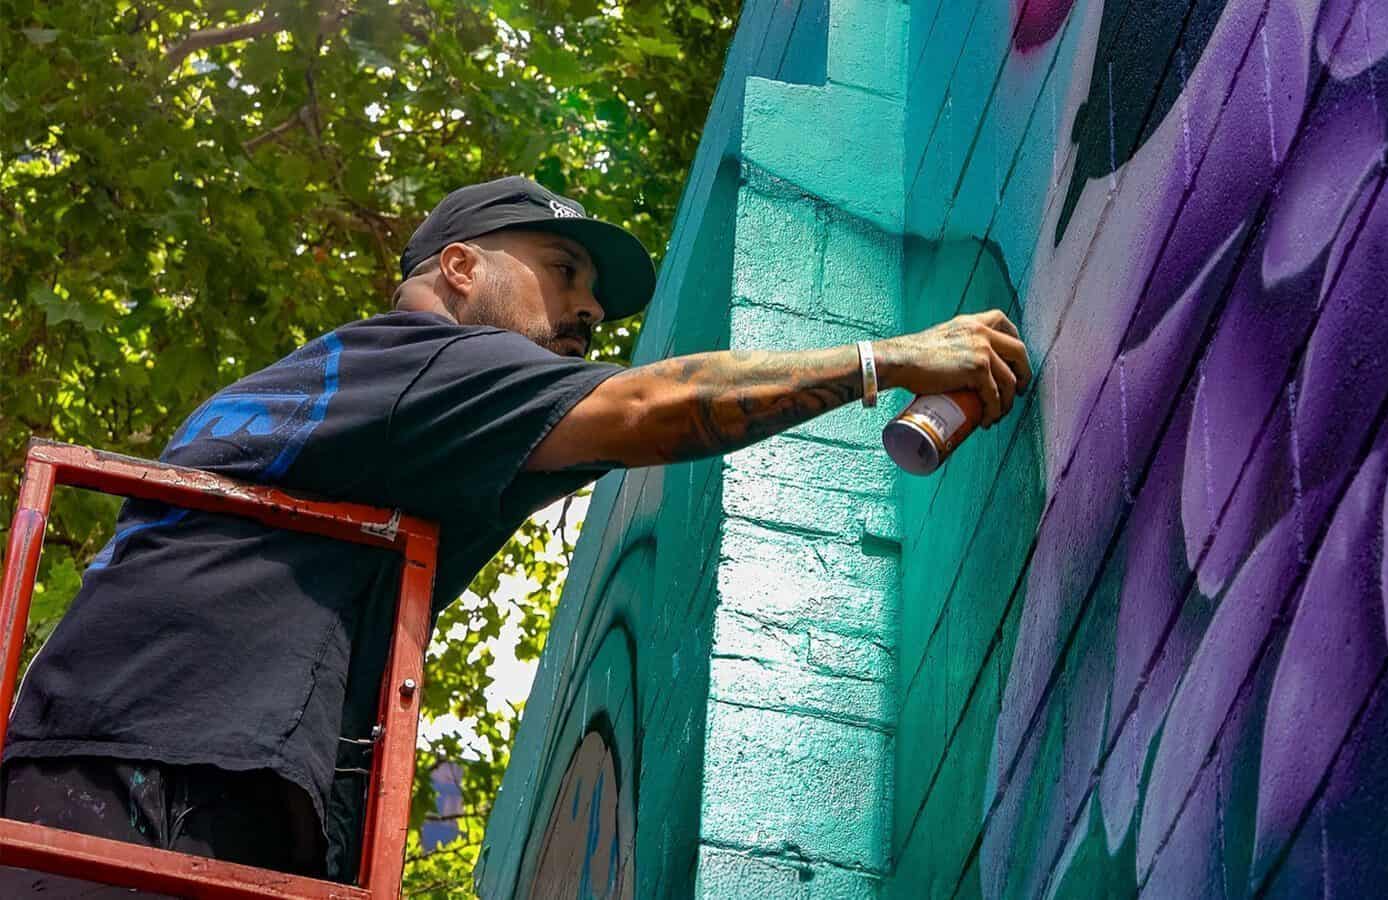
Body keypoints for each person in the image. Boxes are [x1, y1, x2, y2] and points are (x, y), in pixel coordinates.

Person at [0, 176, 1031, 884]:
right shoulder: (417, 361)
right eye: (560, 272)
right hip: (150, 789)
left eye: (594, 300)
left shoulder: (344, 391)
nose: (587, 313)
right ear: (458, 267)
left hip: (114, 766)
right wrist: (889, 359)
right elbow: (644, 408)